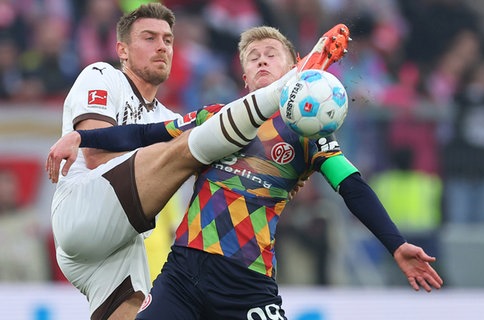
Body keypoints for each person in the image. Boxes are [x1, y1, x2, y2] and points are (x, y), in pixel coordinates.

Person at [58, 25, 443, 319]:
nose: (261, 60)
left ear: (292, 65)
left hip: (247, 281)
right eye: (253, 57)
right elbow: (147, 133)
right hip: (183, 272)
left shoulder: (309, 132)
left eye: (270, 54)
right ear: (244, 78)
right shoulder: (214, 118)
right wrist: (80, 136)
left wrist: (394, 243)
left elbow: (352, 186)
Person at [46, 3, 349, 320]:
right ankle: (291, 83)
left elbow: (210, 174)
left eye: (167, 40)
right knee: (193, 144)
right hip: (83, 211)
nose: (161, 46)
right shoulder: (103, 75)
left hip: (121, 244)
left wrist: (267, 171)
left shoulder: (168, 119)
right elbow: (95, 155)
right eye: (149, 38)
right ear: (121, 49)